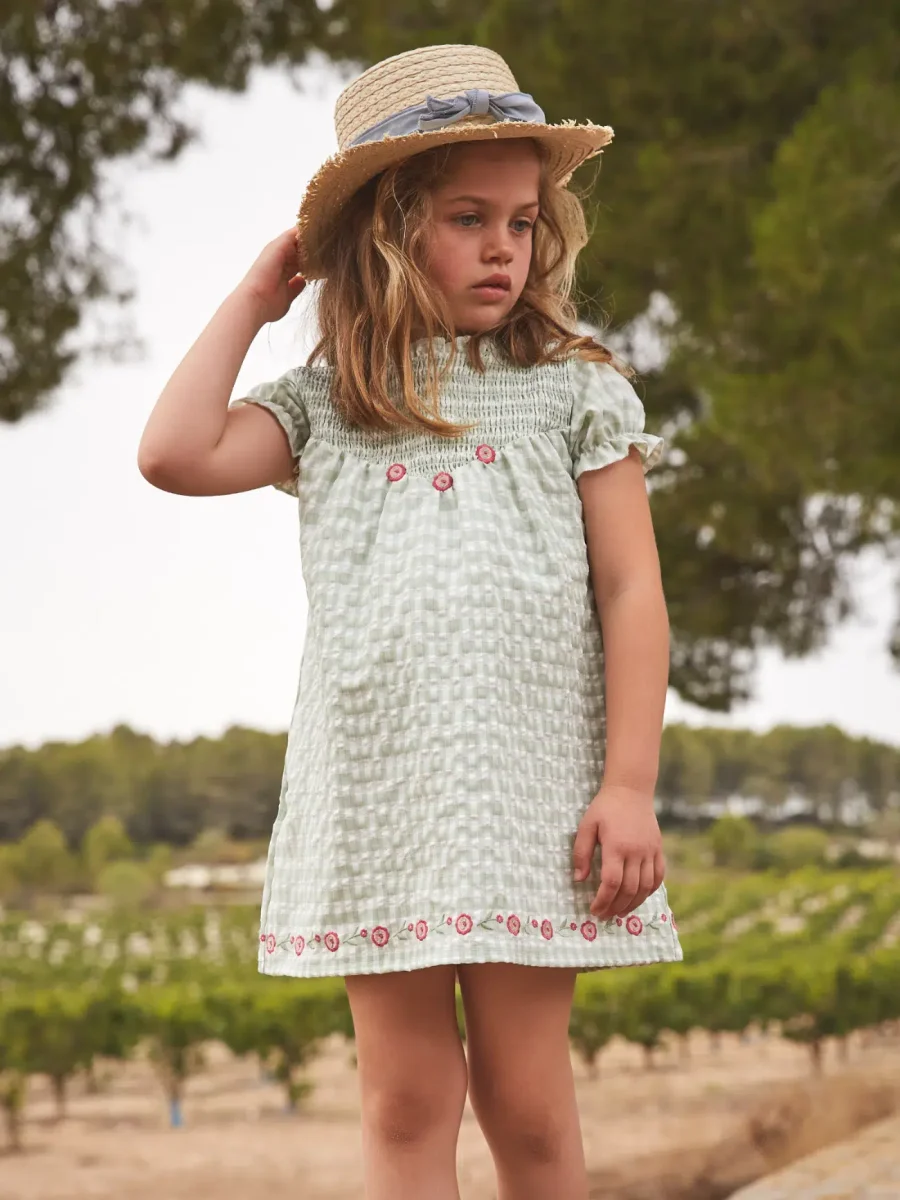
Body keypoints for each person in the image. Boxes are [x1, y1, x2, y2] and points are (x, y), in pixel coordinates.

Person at [138, 41, 683, 1200]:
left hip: (534, 793)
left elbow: (632, 590)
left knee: (527, 1104)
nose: (502, 247)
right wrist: (254, 301)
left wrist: (629, 784)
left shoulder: (577, 390)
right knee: (403, 1099)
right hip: (378, 793)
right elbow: (174, 454)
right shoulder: (331, 403)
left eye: (522, 222)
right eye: (466, 218)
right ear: (384, 233)